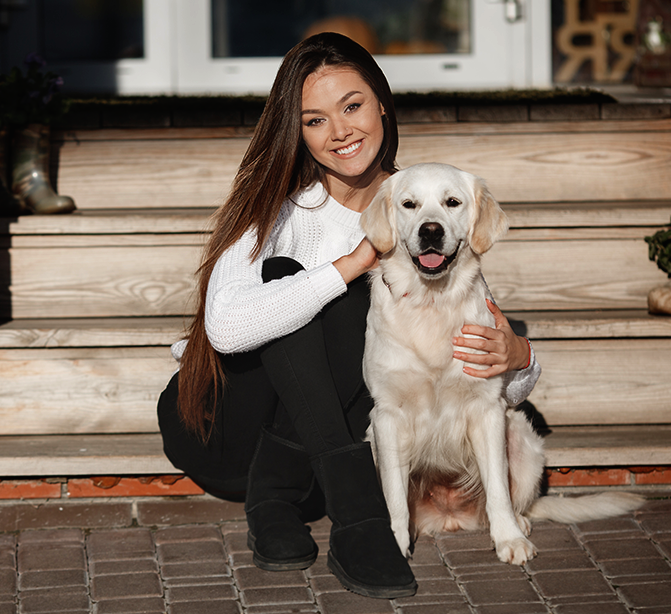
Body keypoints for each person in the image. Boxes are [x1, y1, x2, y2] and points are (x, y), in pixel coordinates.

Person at [156, 32, 541, 599]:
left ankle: (289, 501)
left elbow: (466, 370)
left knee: (369, 312)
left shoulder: (422, 206)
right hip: (223, 424)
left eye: (352, 106)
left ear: (382, 103)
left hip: (319, 459)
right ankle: (355, 516)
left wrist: (521, 356)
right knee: (308, 283)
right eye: (315, 119)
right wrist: (351, 263)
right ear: (297, 130)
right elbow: (226, 330)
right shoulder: (278, 210)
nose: (339, 132)